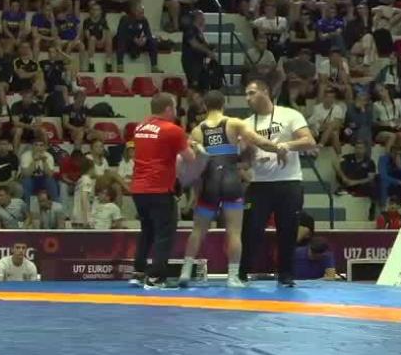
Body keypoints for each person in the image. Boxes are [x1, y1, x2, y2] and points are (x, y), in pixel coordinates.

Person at [178, 90, 287, 287]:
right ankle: (233, 277)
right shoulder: (234, 123)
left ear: (204, 106)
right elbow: (259, 141)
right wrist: (278, 148)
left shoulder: (197, 130)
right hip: (231, 181)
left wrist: (196, 190)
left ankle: (185, 271)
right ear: (223, 105)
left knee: (198, 230)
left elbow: (192, 164)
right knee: (234, 232)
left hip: (209, 183)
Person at [238, 79, 318, 287]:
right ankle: (242, 273)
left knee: (288, 231)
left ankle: (286, 275)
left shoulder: (289, 115)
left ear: (265, 91)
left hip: (288, 182)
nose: (247, 98)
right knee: (250, 230)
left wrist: (285, 145)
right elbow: (245, 161)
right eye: (246, 94)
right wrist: (243, 153)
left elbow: (309, 141)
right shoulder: (246, 124)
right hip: (259, 184)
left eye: (251, 93)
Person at [128, 93, 197, 288]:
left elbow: (157, 149)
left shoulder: (140, 127)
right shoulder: (173, 130)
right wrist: (193, 147)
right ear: (168, 109)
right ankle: (156, 277)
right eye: (174, 108)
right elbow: (190, 158)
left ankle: (138, 273)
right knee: (164, 234)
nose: (176, 112)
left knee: (147, 231)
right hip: (159, 189)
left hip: (139, 189)